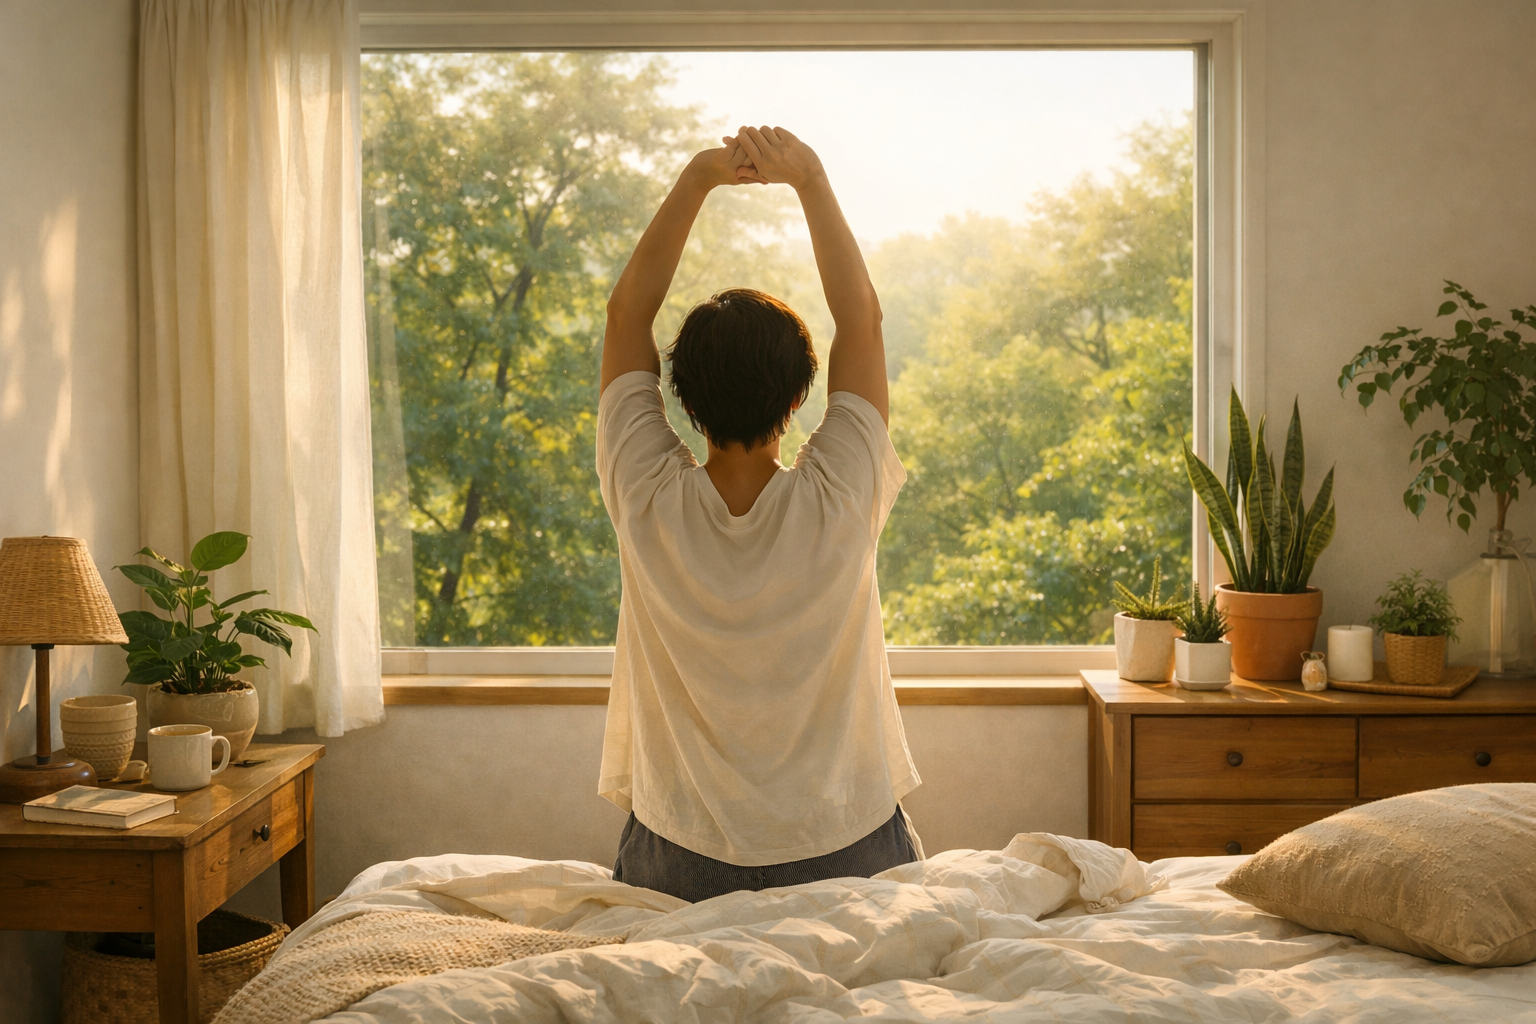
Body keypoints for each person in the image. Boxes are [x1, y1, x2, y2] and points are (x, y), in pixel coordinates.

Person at [596, 126, 921, 903]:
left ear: (678, 396)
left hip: (682, 853)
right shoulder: (842, 495)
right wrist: (808, 177)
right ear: (802, 396)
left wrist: (700, 176)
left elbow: (624, 316)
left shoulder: (642, 491)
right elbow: (863, 320)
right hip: (847, 844)